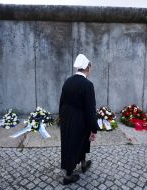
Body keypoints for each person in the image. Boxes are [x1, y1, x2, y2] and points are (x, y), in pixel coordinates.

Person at [59, 54, 98, 185]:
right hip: (80, 119)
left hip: (66, 117)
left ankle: (83, 163)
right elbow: (90, 109)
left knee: (74, 141)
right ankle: (68, 176)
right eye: (90, 68)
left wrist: (61, 118)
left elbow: (61, 102)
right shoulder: (88, 85)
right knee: (74, 143)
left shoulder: (68, 81)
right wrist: (94, 129)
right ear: (87, 68)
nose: (90, 71)